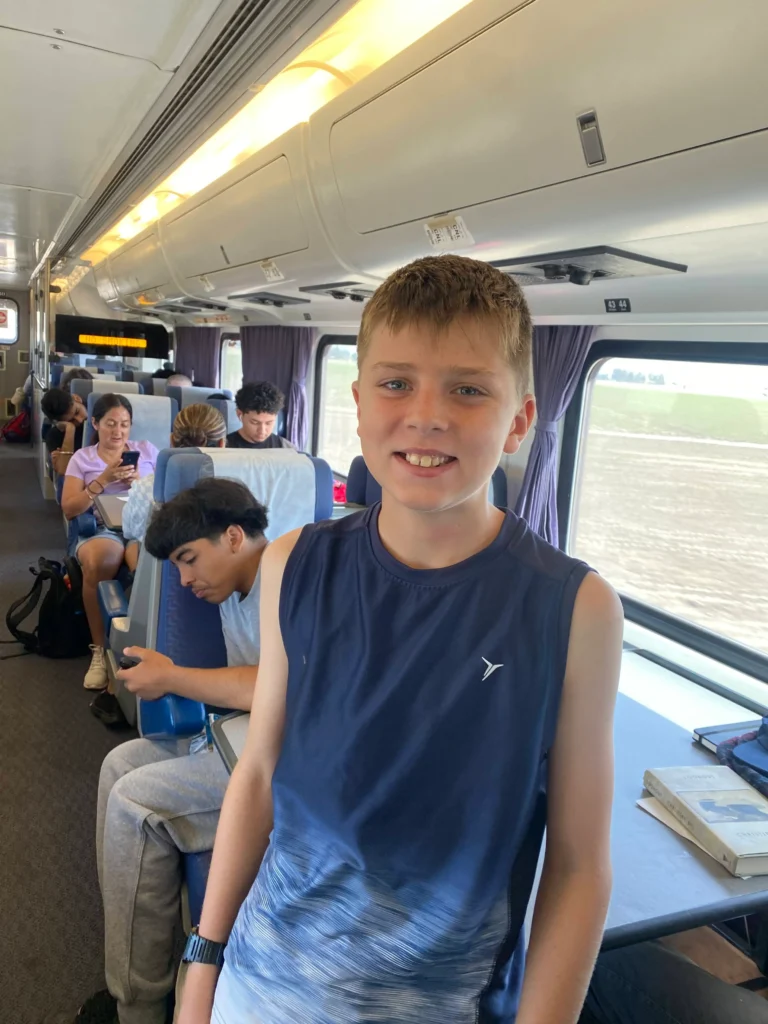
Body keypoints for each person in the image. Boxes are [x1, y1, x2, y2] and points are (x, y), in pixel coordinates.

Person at [179, 255, 768, 1024]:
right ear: (357, 405)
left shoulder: (576, 609)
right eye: (396, 383)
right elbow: (257, 774)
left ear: (520, 418)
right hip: (262, 985)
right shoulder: (296, 564)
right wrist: (203, 963)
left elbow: (580, 865)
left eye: (467, 389)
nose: (427, 415)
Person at [74, 479, 267, 1024]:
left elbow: (276, 686)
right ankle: (130, 960)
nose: (183, 579)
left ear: (234, 536)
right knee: (120, 763)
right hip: (246, 740)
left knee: (137, 805)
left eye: (188, 560)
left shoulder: (284, 578)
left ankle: (137, 1008)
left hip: (287, 764)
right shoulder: (235, 586)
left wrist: (172, 678)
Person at [62, 394, 158, 689]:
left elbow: (165, 497)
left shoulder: (148, 451)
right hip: (104, 529)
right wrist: (103, 479)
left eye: (125, 425)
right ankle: (100, 650)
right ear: (95, 423)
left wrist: (139, 483)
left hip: (141, 527)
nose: (118, 432)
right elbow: (69, 508)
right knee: (101, 560)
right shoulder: (83, 458)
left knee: (148, 566)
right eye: (111, 424)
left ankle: (145, 645)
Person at [122, 403, 228, 554]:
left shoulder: (146, 488)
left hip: (159, 574)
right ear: (222, 443)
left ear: (172, 440)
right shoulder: (241, 489)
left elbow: (130, 531)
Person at [226, 381, 296, 450]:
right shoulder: (222, 447)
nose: (262, 431)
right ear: (239, 414)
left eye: (269, 423)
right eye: (255, 422)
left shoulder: (286, 448)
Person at [41, 387, 89, 475]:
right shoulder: (55, 435)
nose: (79, 420)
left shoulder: (100, 417)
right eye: (71, 421)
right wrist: (70, 429)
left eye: (77, 412)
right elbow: (64, 470)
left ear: (76, 398)